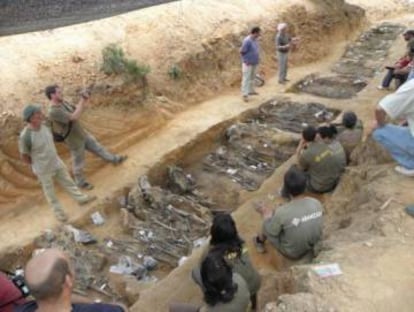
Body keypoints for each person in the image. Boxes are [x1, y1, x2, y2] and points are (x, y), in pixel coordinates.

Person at [18, 105, 96, 222]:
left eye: (40, 112)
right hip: (43, 169)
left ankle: (81, 198)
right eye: (37, 113)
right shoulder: (26, 136)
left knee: (68, 182)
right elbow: (24, 156)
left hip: (55, 162)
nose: (40, 114)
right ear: (30, 118)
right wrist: (36, 165)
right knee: (50, 193)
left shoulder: (45, 126)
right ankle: (59, 213)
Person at [45, 84, 127, 190]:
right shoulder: (53, 111)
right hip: (73, 139)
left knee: (98, 148)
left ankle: (114, 159)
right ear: (52, 95)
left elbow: (76, 110)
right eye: (59, 92)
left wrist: (83, 100)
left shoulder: (62, 103)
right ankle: (80, 182)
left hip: (81, 133)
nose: (61, 94)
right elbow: (73, 117)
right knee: (79, 161)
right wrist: (82, 100)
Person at [15, 249, 127, 312]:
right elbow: (122, 309)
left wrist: (90, 303)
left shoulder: (21, 310)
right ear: (68, 280)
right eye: (71, 266)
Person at [192, 214, 261, 310]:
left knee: (196, 271)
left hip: (234, 291)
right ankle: (254, 307)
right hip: (254, 282)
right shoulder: (241, 242)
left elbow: (204, 269)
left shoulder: (210, 253)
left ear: (214, 233)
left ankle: (212, 295)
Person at [254, 168, 323, 259]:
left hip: (293, 252)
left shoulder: (282, 212)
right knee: (288, 222)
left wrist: (265, 213)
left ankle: (259, 241)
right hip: (311, 244)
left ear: (286, 189)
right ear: (305, 186)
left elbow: (272, 232)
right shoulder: (315, 202)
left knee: (267, 224)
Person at [372, 78, 414, 176]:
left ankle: (411, 165)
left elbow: (380, 109)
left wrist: (380, 123)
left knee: (379, 131)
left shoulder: (411, 87)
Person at [240, 27, 261, 102]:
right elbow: (242, 51)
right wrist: (246, 60)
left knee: (252, 77)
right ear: (255, 33)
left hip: (254, 62)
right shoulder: (247, 41)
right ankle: (244, 94)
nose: (259, 34)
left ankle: (251, 90)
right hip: (248, 63)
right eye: (259, 33)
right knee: (246, 78)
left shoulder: (255, 40)